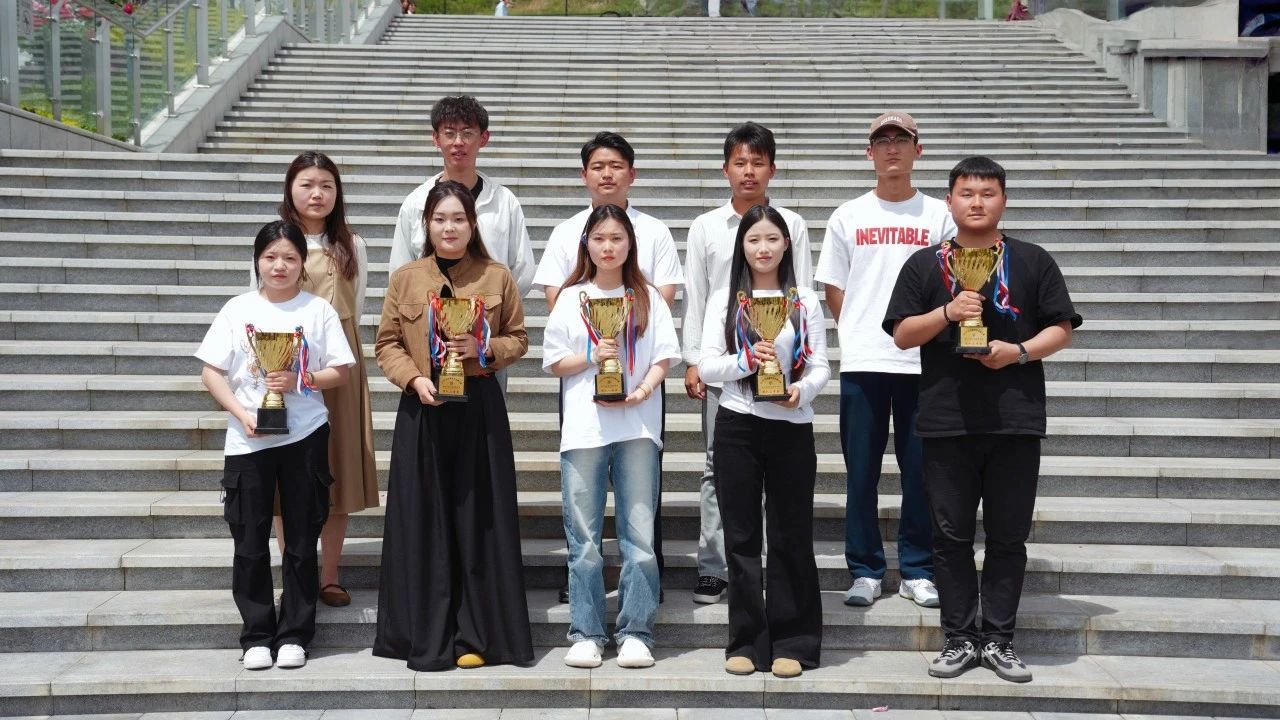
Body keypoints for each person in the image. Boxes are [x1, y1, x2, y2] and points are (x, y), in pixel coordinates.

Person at [884, 156, 1081, 683]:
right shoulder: (925, 265)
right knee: (949, 537)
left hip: (1015, 420)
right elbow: (901, 334)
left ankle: (998, 639)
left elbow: (1062, 328)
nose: (977, 202)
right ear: (949, 201)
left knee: (1008, 536)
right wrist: (947, 313)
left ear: (1004, 201)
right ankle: (958, 638)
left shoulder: (1032, 260)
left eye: (988, 193)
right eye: (966, 193)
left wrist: (1018, 352)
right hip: (946, 420)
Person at [372, 181, 534, 672]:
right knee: (424, 521)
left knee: (478, 520)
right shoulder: (405, 279)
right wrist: (413, 378)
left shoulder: (496, 275)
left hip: (478, 410)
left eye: (459, 219)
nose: (449, 228)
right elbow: (386, 343)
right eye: (440, 219)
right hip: (423, 409)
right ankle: (426, 632)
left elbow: (519, 337)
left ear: (473, 224)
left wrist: (484, 350)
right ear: (426, 224)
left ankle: (477, 634)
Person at [535, 131, 684, 604]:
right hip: (586, 377)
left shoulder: (654, 230)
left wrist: (628, 348)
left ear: (631, 173)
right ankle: (585, 591)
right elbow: (558, 301)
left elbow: (662, 299)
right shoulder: (566, 231)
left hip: (639, 376)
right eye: (597, 166)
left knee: (640, 500)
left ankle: (644, 593)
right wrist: (597, 342)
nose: (606, 174)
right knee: (584, 501)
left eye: (616, 165)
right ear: (584, 175)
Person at [198, 220, 355, 671]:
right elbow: (211, 371)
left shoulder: (317, 310)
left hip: (304, 435)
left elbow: (341, 370)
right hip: (248, 440)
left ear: (303, 263)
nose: (279, 266)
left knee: (302, 540)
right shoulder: (237, 309)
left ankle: (295, 634)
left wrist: (301, 379)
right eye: (270, 257)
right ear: (257, 262)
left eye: (289, 257)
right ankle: (256, 635)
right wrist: (241, 413)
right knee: (249, 541)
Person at [814, 111, 955, 610]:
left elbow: (952, 282)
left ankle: (917, 569)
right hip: (865, 362)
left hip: (924, 363)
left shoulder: (939, 215)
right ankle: (865, 570)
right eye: (882, 140)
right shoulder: (848, 215)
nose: (892, 147)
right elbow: (834, 287)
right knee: (861, 474)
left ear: (918, 149)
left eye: (901, 139)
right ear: (869, 152)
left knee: (922, 472)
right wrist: (859, 331)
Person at [543, 204, 680, 670]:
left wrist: (641, 391)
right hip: (584, 429)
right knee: (583, 537)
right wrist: (591, 354)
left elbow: (663, 357)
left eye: (617, 238)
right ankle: (586, 632)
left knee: (639, 536)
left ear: (630, 244)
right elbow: (554, 362)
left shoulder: (647, 297)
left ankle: (636, 631)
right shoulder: (571, 298)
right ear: (587, 244)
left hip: (637, 426)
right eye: (599, 238)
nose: (608, 247)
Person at [682, 122, 812, 605]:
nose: (749, 171)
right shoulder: (705, 227)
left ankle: (773, 567)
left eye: (758, 162)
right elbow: (696, 297)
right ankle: (715, 567)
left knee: (777, 471)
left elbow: (802, 291)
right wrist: (693, 360)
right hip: (725, 365)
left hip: (780, 364)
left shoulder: (792, 224)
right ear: (726, 170)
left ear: (772, 169)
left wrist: (799, 362)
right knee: (717, 466)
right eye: (740, 162)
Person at [699, 204, 828, 678]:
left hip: (791, 426)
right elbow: (707, 365)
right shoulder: (725, 299)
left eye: (772, 239)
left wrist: (801, 392)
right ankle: (746, 641)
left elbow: (821, 365)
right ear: (742, 246)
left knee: (792, 533)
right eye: (754, 240)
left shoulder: (804, 300)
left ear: (787, 244)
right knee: (741, 537)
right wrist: (745, 362)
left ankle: (794, 641)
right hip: (738, 424)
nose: (763, 248)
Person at [259, 150, 377, 609]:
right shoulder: (275, 243)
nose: (317, 194)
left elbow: (357, 307)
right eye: (307, 184)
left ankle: (329, 575)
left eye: (326, 185)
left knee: (336, 470)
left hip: (337, 367)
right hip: (282, 364)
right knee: (285, 472)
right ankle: (295, 573)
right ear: (290, 188)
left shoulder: (352, 245)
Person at [387, 95, 536, 300]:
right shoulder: (416, 203)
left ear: (483, 138)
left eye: (467, 133)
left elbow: (522, 271)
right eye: (449, 133)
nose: (458, 142)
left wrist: (496, 306)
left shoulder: (504, 202)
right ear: (436, 138)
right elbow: (400, 271)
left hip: (489, 316)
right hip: (429, 314)